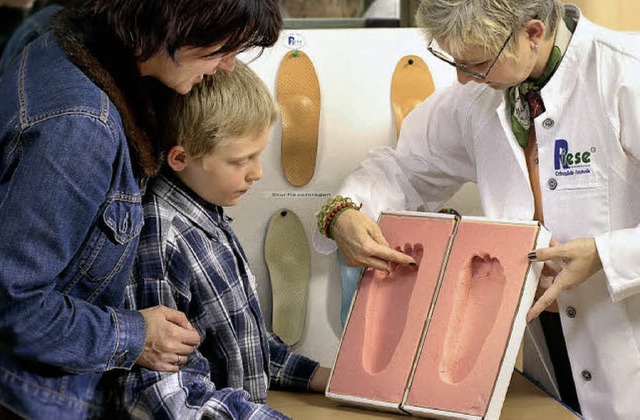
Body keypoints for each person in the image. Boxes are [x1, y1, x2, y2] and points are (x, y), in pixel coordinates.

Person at [314, 1, 640, 418]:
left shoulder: (625, 75)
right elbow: (404, 168)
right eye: (454, 61)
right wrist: (345, 211)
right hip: (551, 347)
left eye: (477, 63)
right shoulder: (483, 100)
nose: (463, 79)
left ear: (533, 33)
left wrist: (605, 255)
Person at [0, 0, 282, 418]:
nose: (227, 66)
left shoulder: (60, 48)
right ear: (172, 24)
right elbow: (13, 306)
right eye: (220, 48)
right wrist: (136, 336)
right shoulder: (80, 126)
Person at [118, 63, 330, 419]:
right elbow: (166, 392)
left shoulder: (210, 217)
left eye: (258, 155)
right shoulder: (161, 238)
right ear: (181, 158)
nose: (258, 173)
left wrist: (319, 377)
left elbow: (240, 343)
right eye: (241, 160)